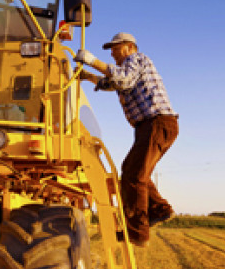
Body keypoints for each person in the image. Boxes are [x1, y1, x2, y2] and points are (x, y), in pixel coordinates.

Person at [74, 32, 178, 246]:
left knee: (135, 176)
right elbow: (113, 84)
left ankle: (138, 233)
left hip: (156, 123)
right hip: (150, 126)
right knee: (132, 170)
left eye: (115, 47)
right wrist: (89, 76)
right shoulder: (129, 67)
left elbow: (122, 79)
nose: (112, 52)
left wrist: (93, 61)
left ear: (129, 47)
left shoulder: (137, 59)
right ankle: (160, 209)